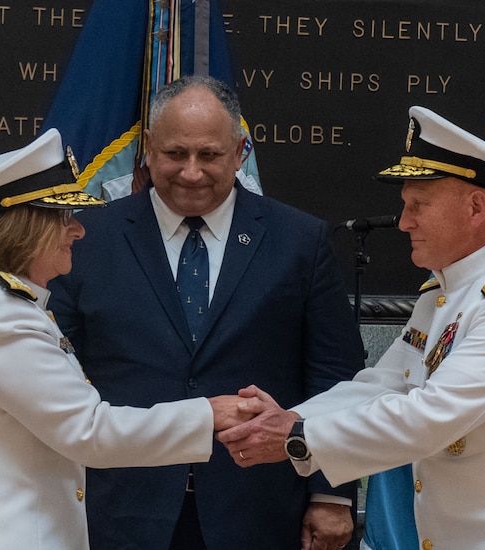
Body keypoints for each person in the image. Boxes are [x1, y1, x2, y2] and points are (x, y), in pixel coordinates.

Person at [217, 106, 485, 549]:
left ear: (476, 207)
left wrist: (297, 439)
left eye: (418, 206)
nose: (403, 222)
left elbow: (430, 416)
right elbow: (383, 385)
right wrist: (293, 418)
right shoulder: (446, 294)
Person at [47, 75, 365, 550]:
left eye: (210, 155)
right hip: (119, 506)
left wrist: (332, 495)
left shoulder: (300, 240)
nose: (191, 172)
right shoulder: (85, 239)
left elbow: (334, 374)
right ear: (149, 149)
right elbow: (57, 371)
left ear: (241, 151)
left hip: (257, 508)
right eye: (175, 154)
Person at [0, 128, 249, 549]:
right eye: (64, 218)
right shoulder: (2, 319)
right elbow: (89, 433)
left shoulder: (8, 305)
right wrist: (208, 414)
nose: (79, 232)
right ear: (25, 229)